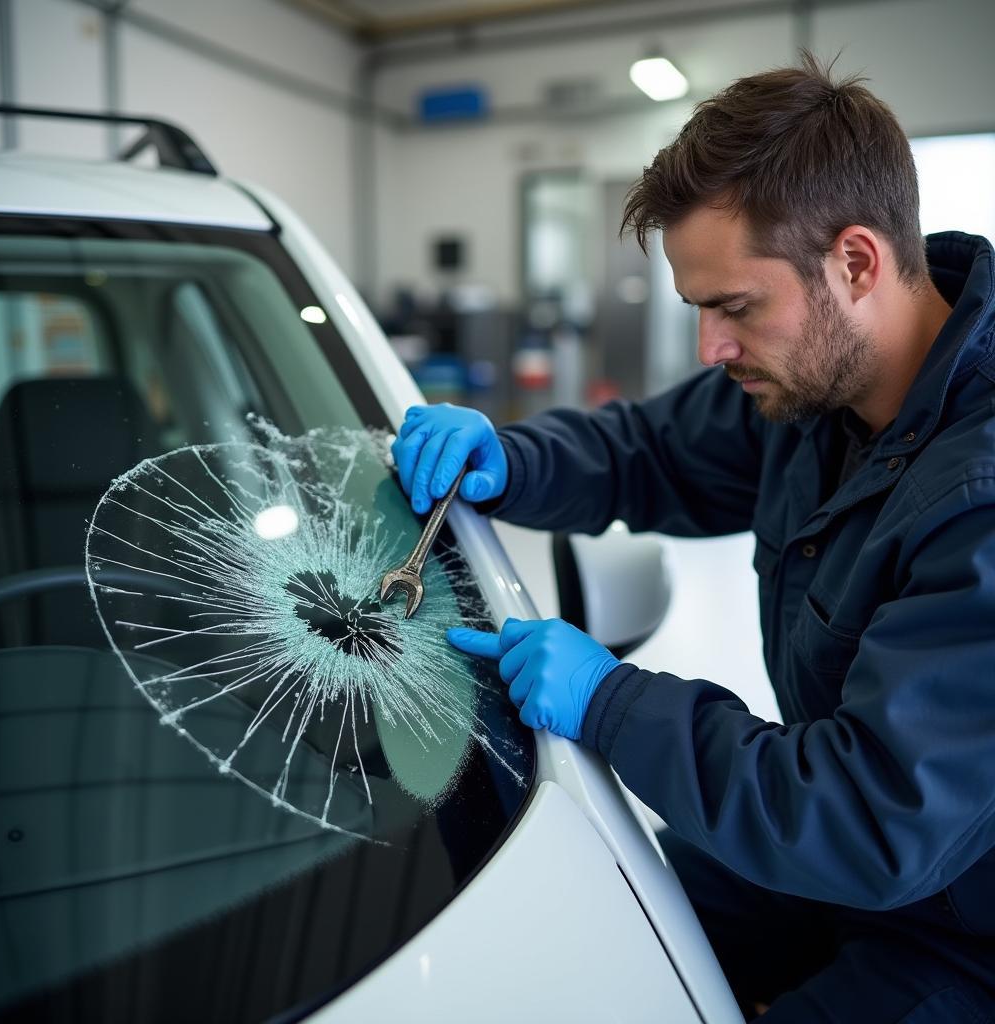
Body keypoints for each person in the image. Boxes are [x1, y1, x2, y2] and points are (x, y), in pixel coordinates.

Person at [391, 53, 995, 1023]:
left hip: (961, 929)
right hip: (838, 870)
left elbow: (869, 816)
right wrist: (508, 459)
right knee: (607, 923)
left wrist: (613, 702)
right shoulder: (816, 387)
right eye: (698, 310)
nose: (712, 349)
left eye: (734, 307)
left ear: (854, 262)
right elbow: (653, 449)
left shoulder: (979, 496)